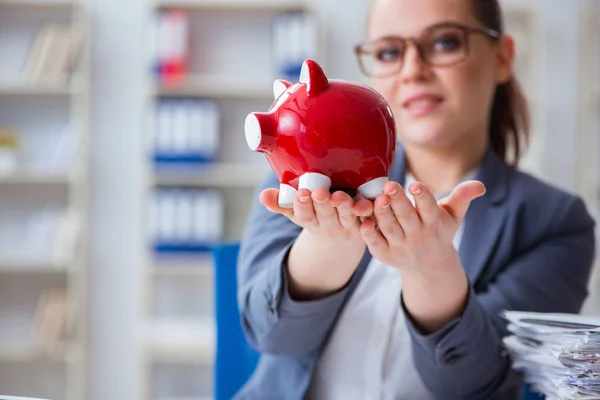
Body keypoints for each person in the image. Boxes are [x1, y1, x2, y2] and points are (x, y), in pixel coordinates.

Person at [236, 0, 596, 398]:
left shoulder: (556, 223)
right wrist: (325, 247)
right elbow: (270, 336)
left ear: (502, 57)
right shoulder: (306, 173)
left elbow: (477, 383)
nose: (412, 71)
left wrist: (432, 272)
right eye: (389, 52)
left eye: (444, 43)